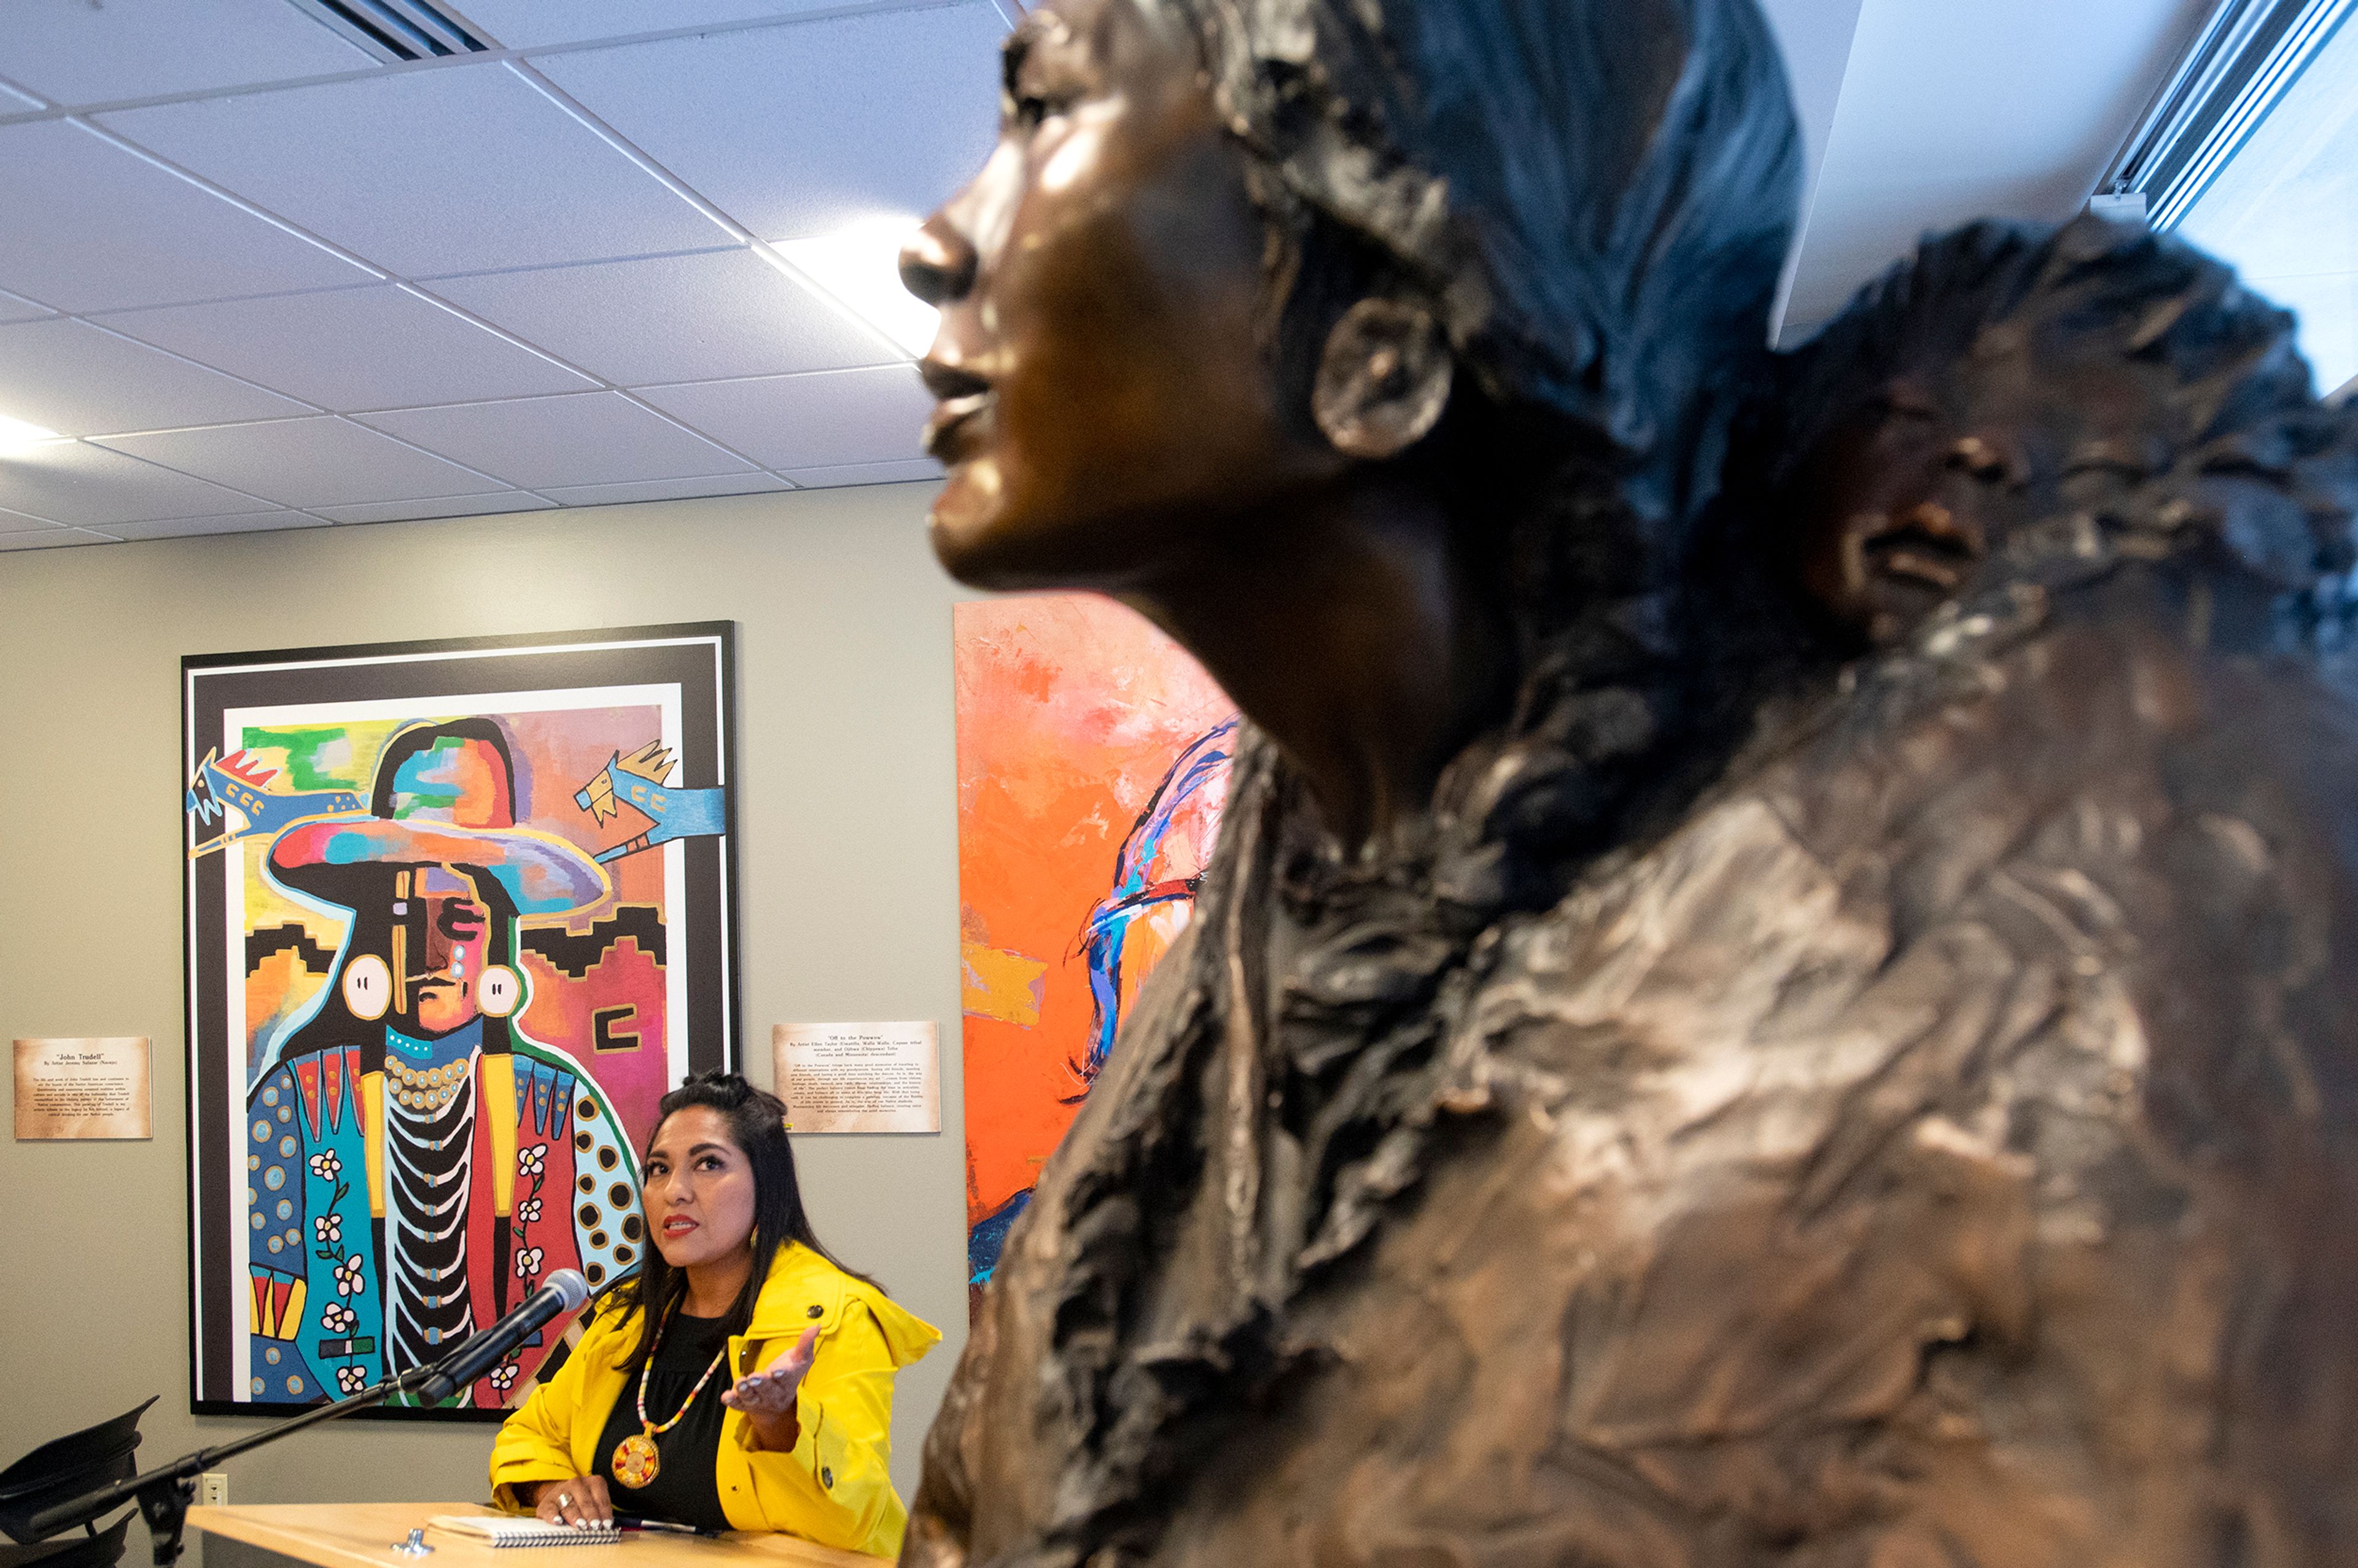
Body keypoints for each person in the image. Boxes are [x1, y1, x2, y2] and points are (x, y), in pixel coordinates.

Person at [895, 0, 2358, 1561]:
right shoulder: (1255, 958)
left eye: (1040, 107)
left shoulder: (2061, 1022)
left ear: (1379, 353)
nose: (935, 240)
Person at [245, 718, 639, 1408]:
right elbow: (262, 1321)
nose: (431, 953)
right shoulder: (294, 1103)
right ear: (370, 928)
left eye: (458, 919)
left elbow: (629, 1311)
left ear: (498, 934)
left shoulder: (562, 1107)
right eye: (404, 915)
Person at [489, 1073, 941, 1558]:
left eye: (708, 1164)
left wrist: (781, 1421)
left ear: (765, 1186)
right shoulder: (626, 1320)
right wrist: (549, 1487)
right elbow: (529, 1433)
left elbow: (856, 1516)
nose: (674, 1191)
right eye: (658, 1169)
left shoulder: (835, 1316)